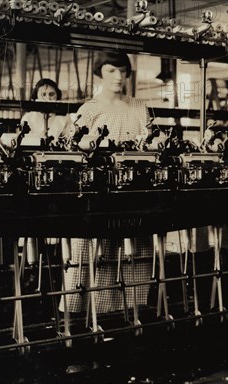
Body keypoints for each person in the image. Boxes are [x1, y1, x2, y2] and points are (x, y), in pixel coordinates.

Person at [61, 52, 152, 315]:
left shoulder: (138, 106)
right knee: (91, 248)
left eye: (122, 70)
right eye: (111, 70)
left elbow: (149, 140)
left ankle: (130, 309)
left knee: (137, 247)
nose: (118, 76)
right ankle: (79, 312)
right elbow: (73, 144)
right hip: (98, 190)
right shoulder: (89, 109)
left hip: (134, 188)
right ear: (100, 72)